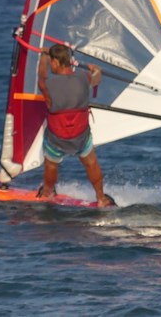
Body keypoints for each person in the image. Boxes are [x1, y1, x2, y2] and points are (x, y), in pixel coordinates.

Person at [36, 44, 115, 207]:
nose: (51, 65)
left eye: (52, 62)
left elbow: (41, 77)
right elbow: (97, 78)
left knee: (51, 165)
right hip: (81, 137)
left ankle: (47, 193)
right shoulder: (83, 77)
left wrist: (43, 56)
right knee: (91, 162)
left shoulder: (47, 85)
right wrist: (96, 69)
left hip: (57, 139)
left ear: (57, 62)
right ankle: (101, 198)